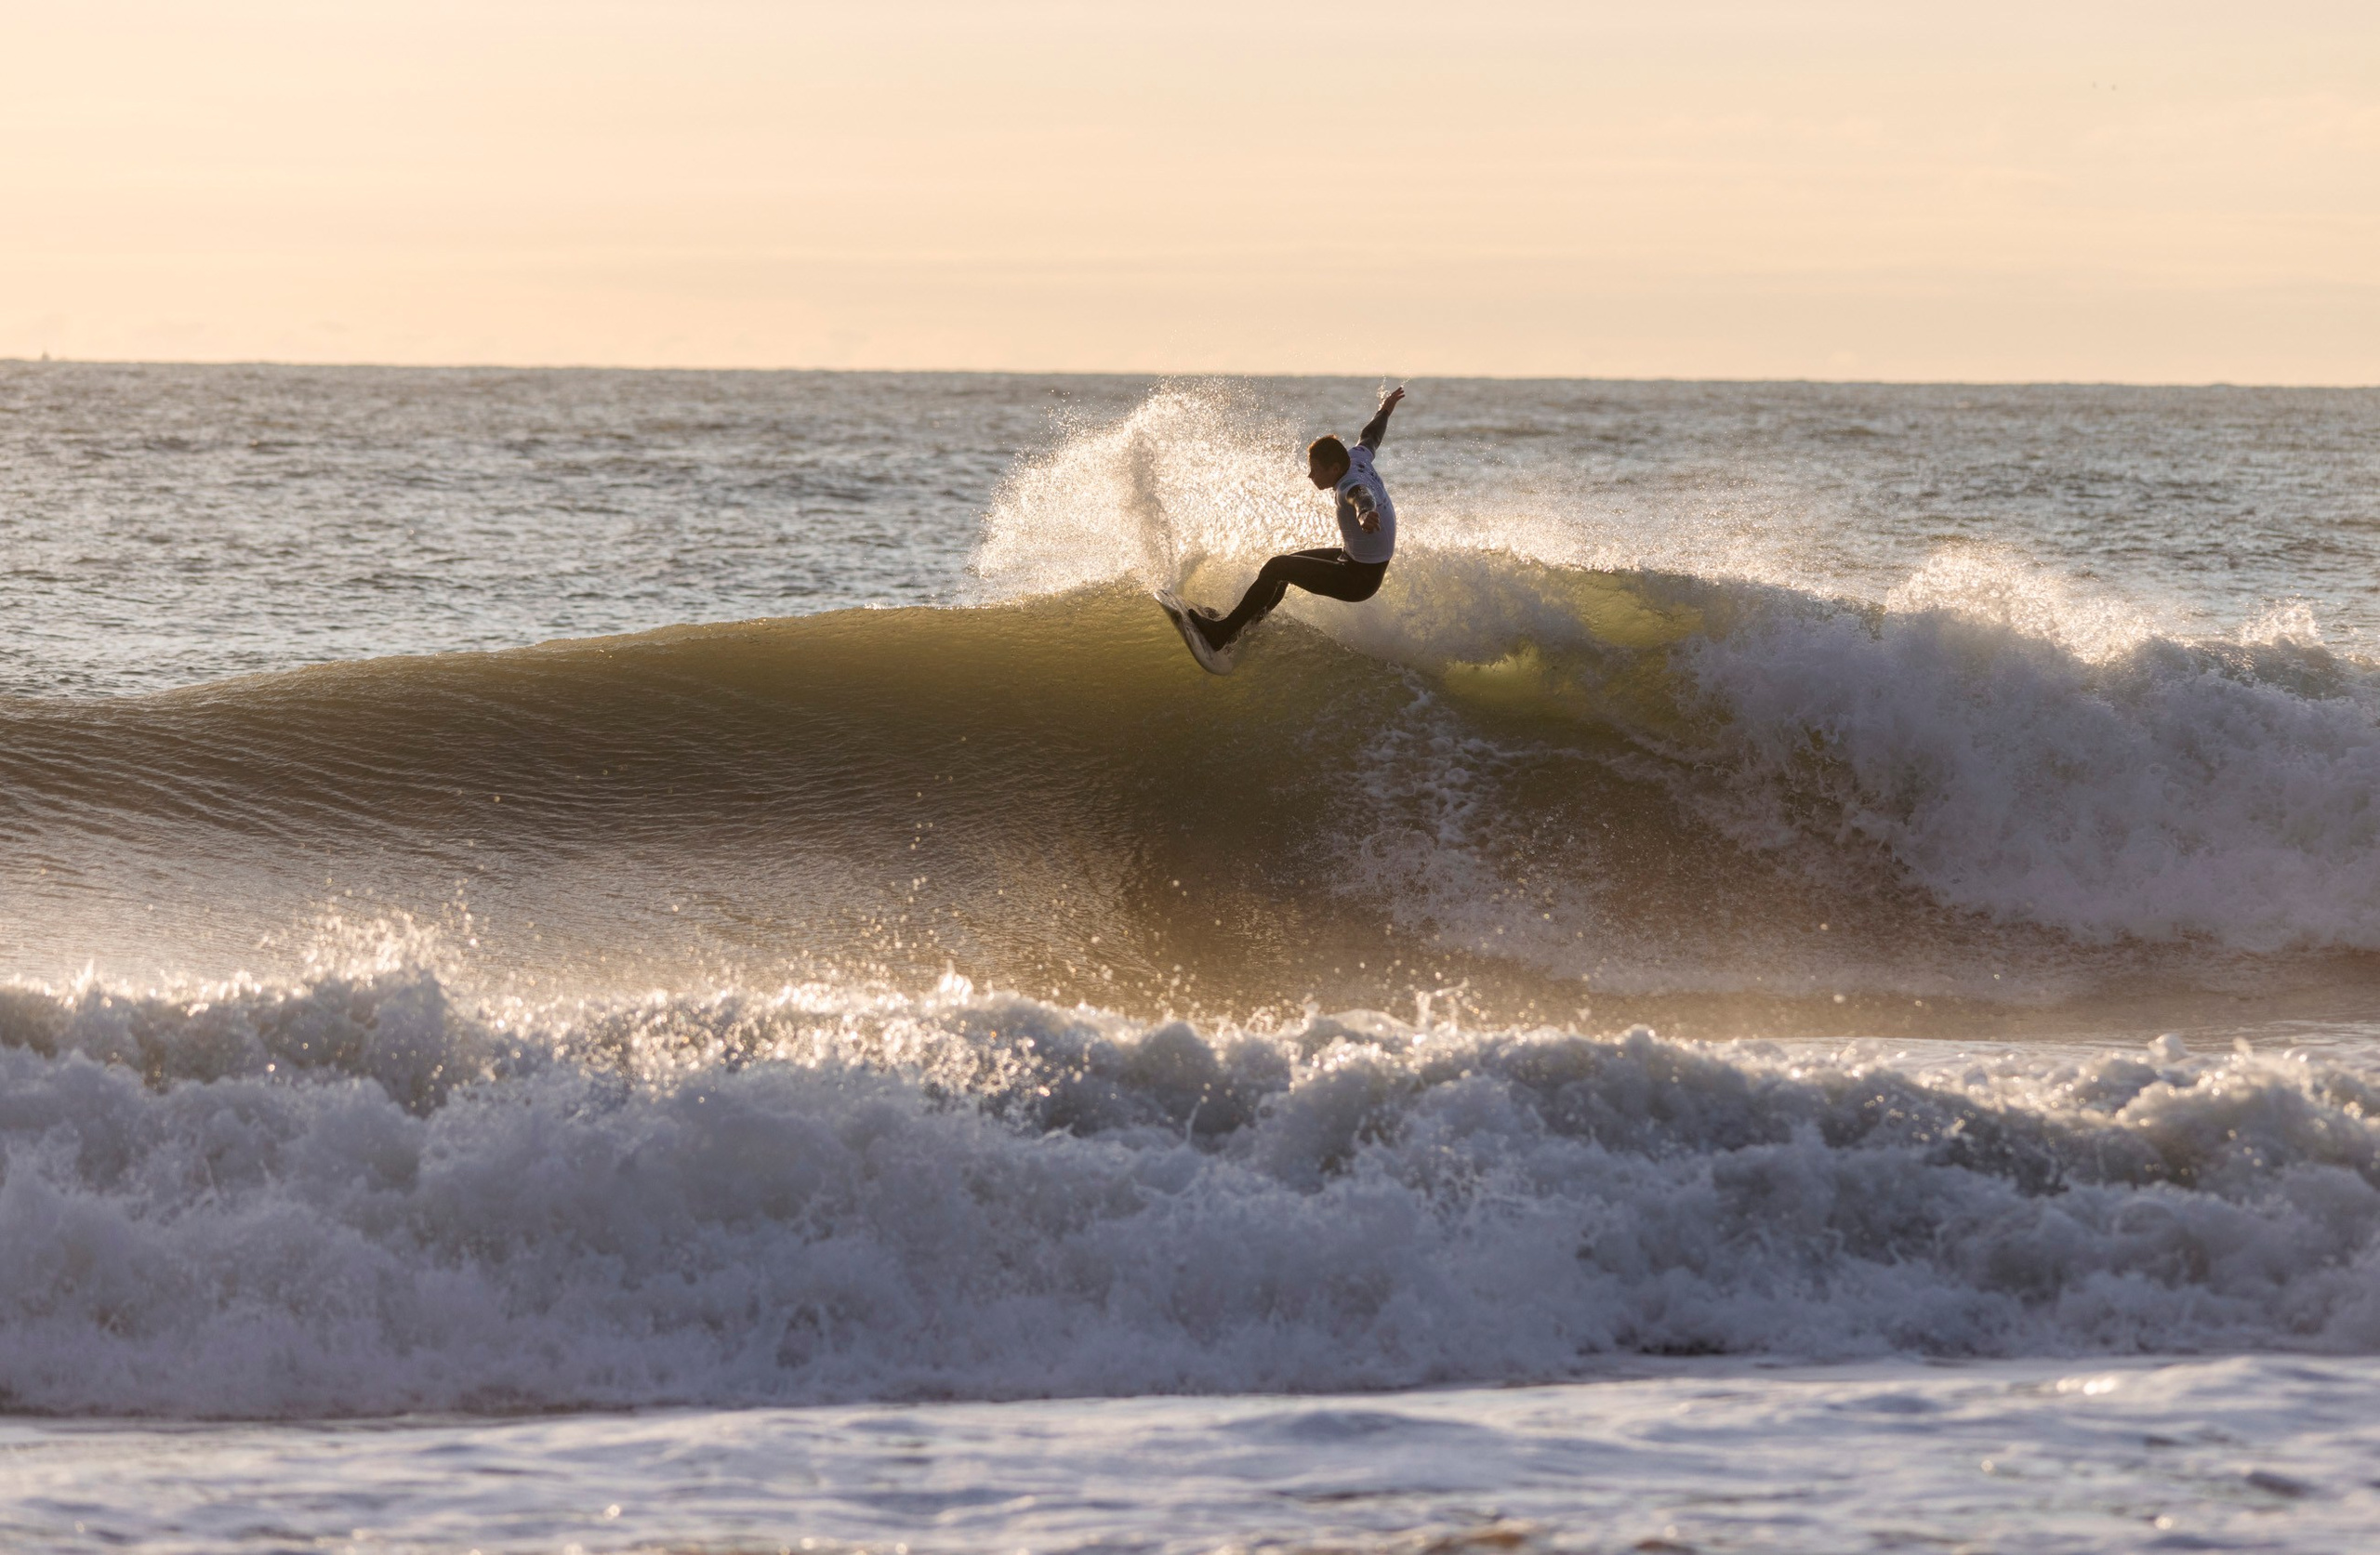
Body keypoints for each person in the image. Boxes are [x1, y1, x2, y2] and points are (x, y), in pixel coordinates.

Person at [1191, 387, 1405, 652]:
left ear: (1335, 469)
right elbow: (1371, 436)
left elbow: (1361, 495)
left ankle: (1221, 634)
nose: (1310, 476)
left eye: (1314, 470)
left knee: (1277, 567)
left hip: (1358, 580)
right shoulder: (1358, 456)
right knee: (1283, 567)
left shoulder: (1346, 485)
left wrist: (1363, 513)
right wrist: (1385, 410)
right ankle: (1240, 625)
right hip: (1355, 560)